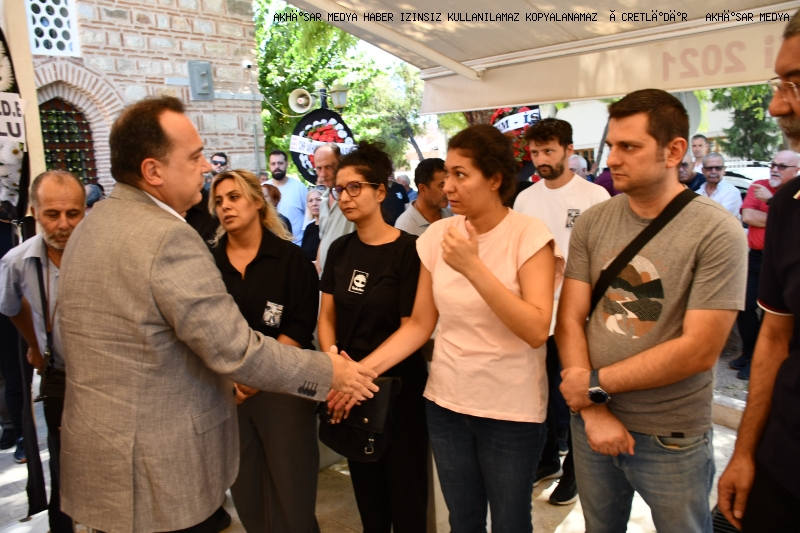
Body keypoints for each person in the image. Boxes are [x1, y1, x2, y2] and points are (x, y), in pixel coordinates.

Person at [55, 96, 378, 533]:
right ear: (153, 170)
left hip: (100, 459)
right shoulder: (168, 237)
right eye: (194, 157)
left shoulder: (89, 227)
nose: (206, 166)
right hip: (155, 467)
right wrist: (330, 372)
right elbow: (235, 349)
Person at [333, 125, 562, 532]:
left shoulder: (528, 235)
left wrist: (474, 267)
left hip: (510, 409)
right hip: (447, 403)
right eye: (446, 176)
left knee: (510, 522)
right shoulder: (439, 234)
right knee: (463, 520)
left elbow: (535, 328)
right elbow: (420, 324)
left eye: (460, 175)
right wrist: (357, 376)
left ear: (494, 179)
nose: (448, 186)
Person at [556, 89, 747, 533]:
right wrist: (593, 409)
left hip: (671, 435)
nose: (613, 159)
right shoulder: (594, 221)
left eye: (629, 146)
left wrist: (591, 386)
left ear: (674, 151)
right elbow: (569, 318)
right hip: (592, 423)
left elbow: (699, 349)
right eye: (612, 145)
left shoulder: (717, 230)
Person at [318, 141, 428, 533]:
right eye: (339, 189)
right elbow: (326, 315)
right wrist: (335, 365)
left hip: (398, 387)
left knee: (408, 496)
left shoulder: (409, 251)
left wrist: (356, 376)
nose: (345, 197)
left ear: (380, 191)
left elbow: (413, 326)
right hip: (349, 385)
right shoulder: (339, 249)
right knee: (369, 495)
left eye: (355, 187)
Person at [718, 13, 800, 530]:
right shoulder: (789, 205)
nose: (776, 106)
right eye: (778, 84)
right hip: (783, 473)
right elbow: (774, 338)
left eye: (796, 83)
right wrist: (745, 451)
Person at [209, 169, 322, 533]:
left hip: (284, 387)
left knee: (293, 495)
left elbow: (300, 324)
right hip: (230, 392)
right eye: (219, 201)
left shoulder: (291, 260)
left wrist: (258, 374)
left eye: (234, 197)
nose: (225, 206)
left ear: (258, 202)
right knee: (248, 494)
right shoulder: (208, 264)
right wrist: (234, 379)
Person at [514, 118, 610, 506]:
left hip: (580, 313)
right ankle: (547, 460)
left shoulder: (595, 196)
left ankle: (575, 473)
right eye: (536, 152)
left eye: (549, 151)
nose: (542, 159)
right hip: (536, 311)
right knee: (538, 391)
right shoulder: (525, 199)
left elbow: (606, 259)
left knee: (575, 392)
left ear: (569, 150)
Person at [0, 170, 86, 532]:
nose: (63, 224)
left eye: (73, 213)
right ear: (34, 212)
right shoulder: (17, 262)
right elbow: (11, 306)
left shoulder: (102, 254)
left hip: (108, 378)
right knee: (64, 467)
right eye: (52, 214)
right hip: (60, 376)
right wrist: (36, 346)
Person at [726, 149, 799, 381]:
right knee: (745, 305)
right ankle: (748, 353)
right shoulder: (758, 185)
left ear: (796, 170)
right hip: (756, 258)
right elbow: (748, 217)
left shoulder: (795, 192)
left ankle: (759, 359)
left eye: (781, 166)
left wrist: (771, 202)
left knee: (772, 312)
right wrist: (780, 215)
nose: (774, 170)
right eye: (773, 165)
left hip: (782, 261)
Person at [316, 143, 354, 275]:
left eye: (328, 167)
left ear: (340, 164)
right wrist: (318, 271)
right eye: (319, 168)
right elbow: (323, 239)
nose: (323, 174)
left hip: (347, 276)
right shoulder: (323, 199)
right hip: (326, 278)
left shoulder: (352, 197)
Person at [394, 158, 452, 236]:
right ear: (423, 189)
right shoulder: (405, 227)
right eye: (442, 186)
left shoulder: (448, 213)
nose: (448, 189)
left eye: (449, 184)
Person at [269, 150, 308, 245]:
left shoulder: (299, 188)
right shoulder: (263, 189)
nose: (276, 167)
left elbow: (309, 217)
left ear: (287, 164)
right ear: (269, 165)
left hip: (297, 245)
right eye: (273, 164)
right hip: (271, 246)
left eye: (280, 163)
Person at [697, 152, 742, 218]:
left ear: (724, 170)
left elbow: (720, 218)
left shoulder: (732, 192)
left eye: (718, 168)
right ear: (703, 171)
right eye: (709, 168)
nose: (713, 172)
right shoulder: (697, 194)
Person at [301, 188, 322, 263]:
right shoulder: (309, 228)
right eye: (310, 201)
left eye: (318, 199)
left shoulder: (329, 226)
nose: (314, 204)